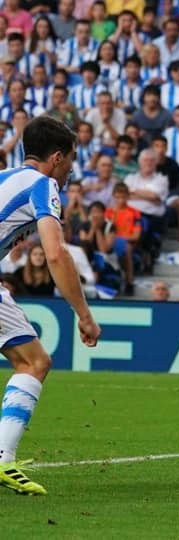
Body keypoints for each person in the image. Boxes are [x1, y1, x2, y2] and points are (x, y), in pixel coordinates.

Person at [0, 116, 101, 494]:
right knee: (34, 362)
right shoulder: (44, 186)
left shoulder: (4, 175)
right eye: (72, 159)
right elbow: (56, 254)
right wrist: (84, 315)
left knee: (32, 360)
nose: (72, 168)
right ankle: (3, 458)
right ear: (57, 157)